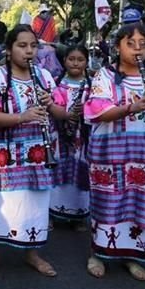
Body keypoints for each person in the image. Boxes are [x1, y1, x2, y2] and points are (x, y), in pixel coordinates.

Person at [84, 24, 145, 281]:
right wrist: (132, 107)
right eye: (130, 43)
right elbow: (97, 111)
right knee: (108, 200)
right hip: (111, 150)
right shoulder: (104, 75)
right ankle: (99, 251)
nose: (138, 48)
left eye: (143, 44)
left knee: (141, 200)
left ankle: (132, 255)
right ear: (117, 47)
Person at [0, 25, 64, 280]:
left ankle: (32, 252)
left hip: (39, 153)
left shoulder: (44, 76)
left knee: (36, 201)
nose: (29, 51)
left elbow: (59, 112)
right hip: (7, 155)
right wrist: (22, 117)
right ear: (9, 50)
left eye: (33, 46)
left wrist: (51, 104)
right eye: (22, 46)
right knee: (2, 202)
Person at [50, 44, 91, 229]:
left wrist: (87, 109)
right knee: (57, 170)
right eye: (71, 59)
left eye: (80, 59)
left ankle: (78, 215)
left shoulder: (93, 86)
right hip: (59, 135)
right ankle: (51, 213)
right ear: (64, 60)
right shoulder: (55, 83)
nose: (75, 63)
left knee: (79, 172)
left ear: (86, 62)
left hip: (81, 137)